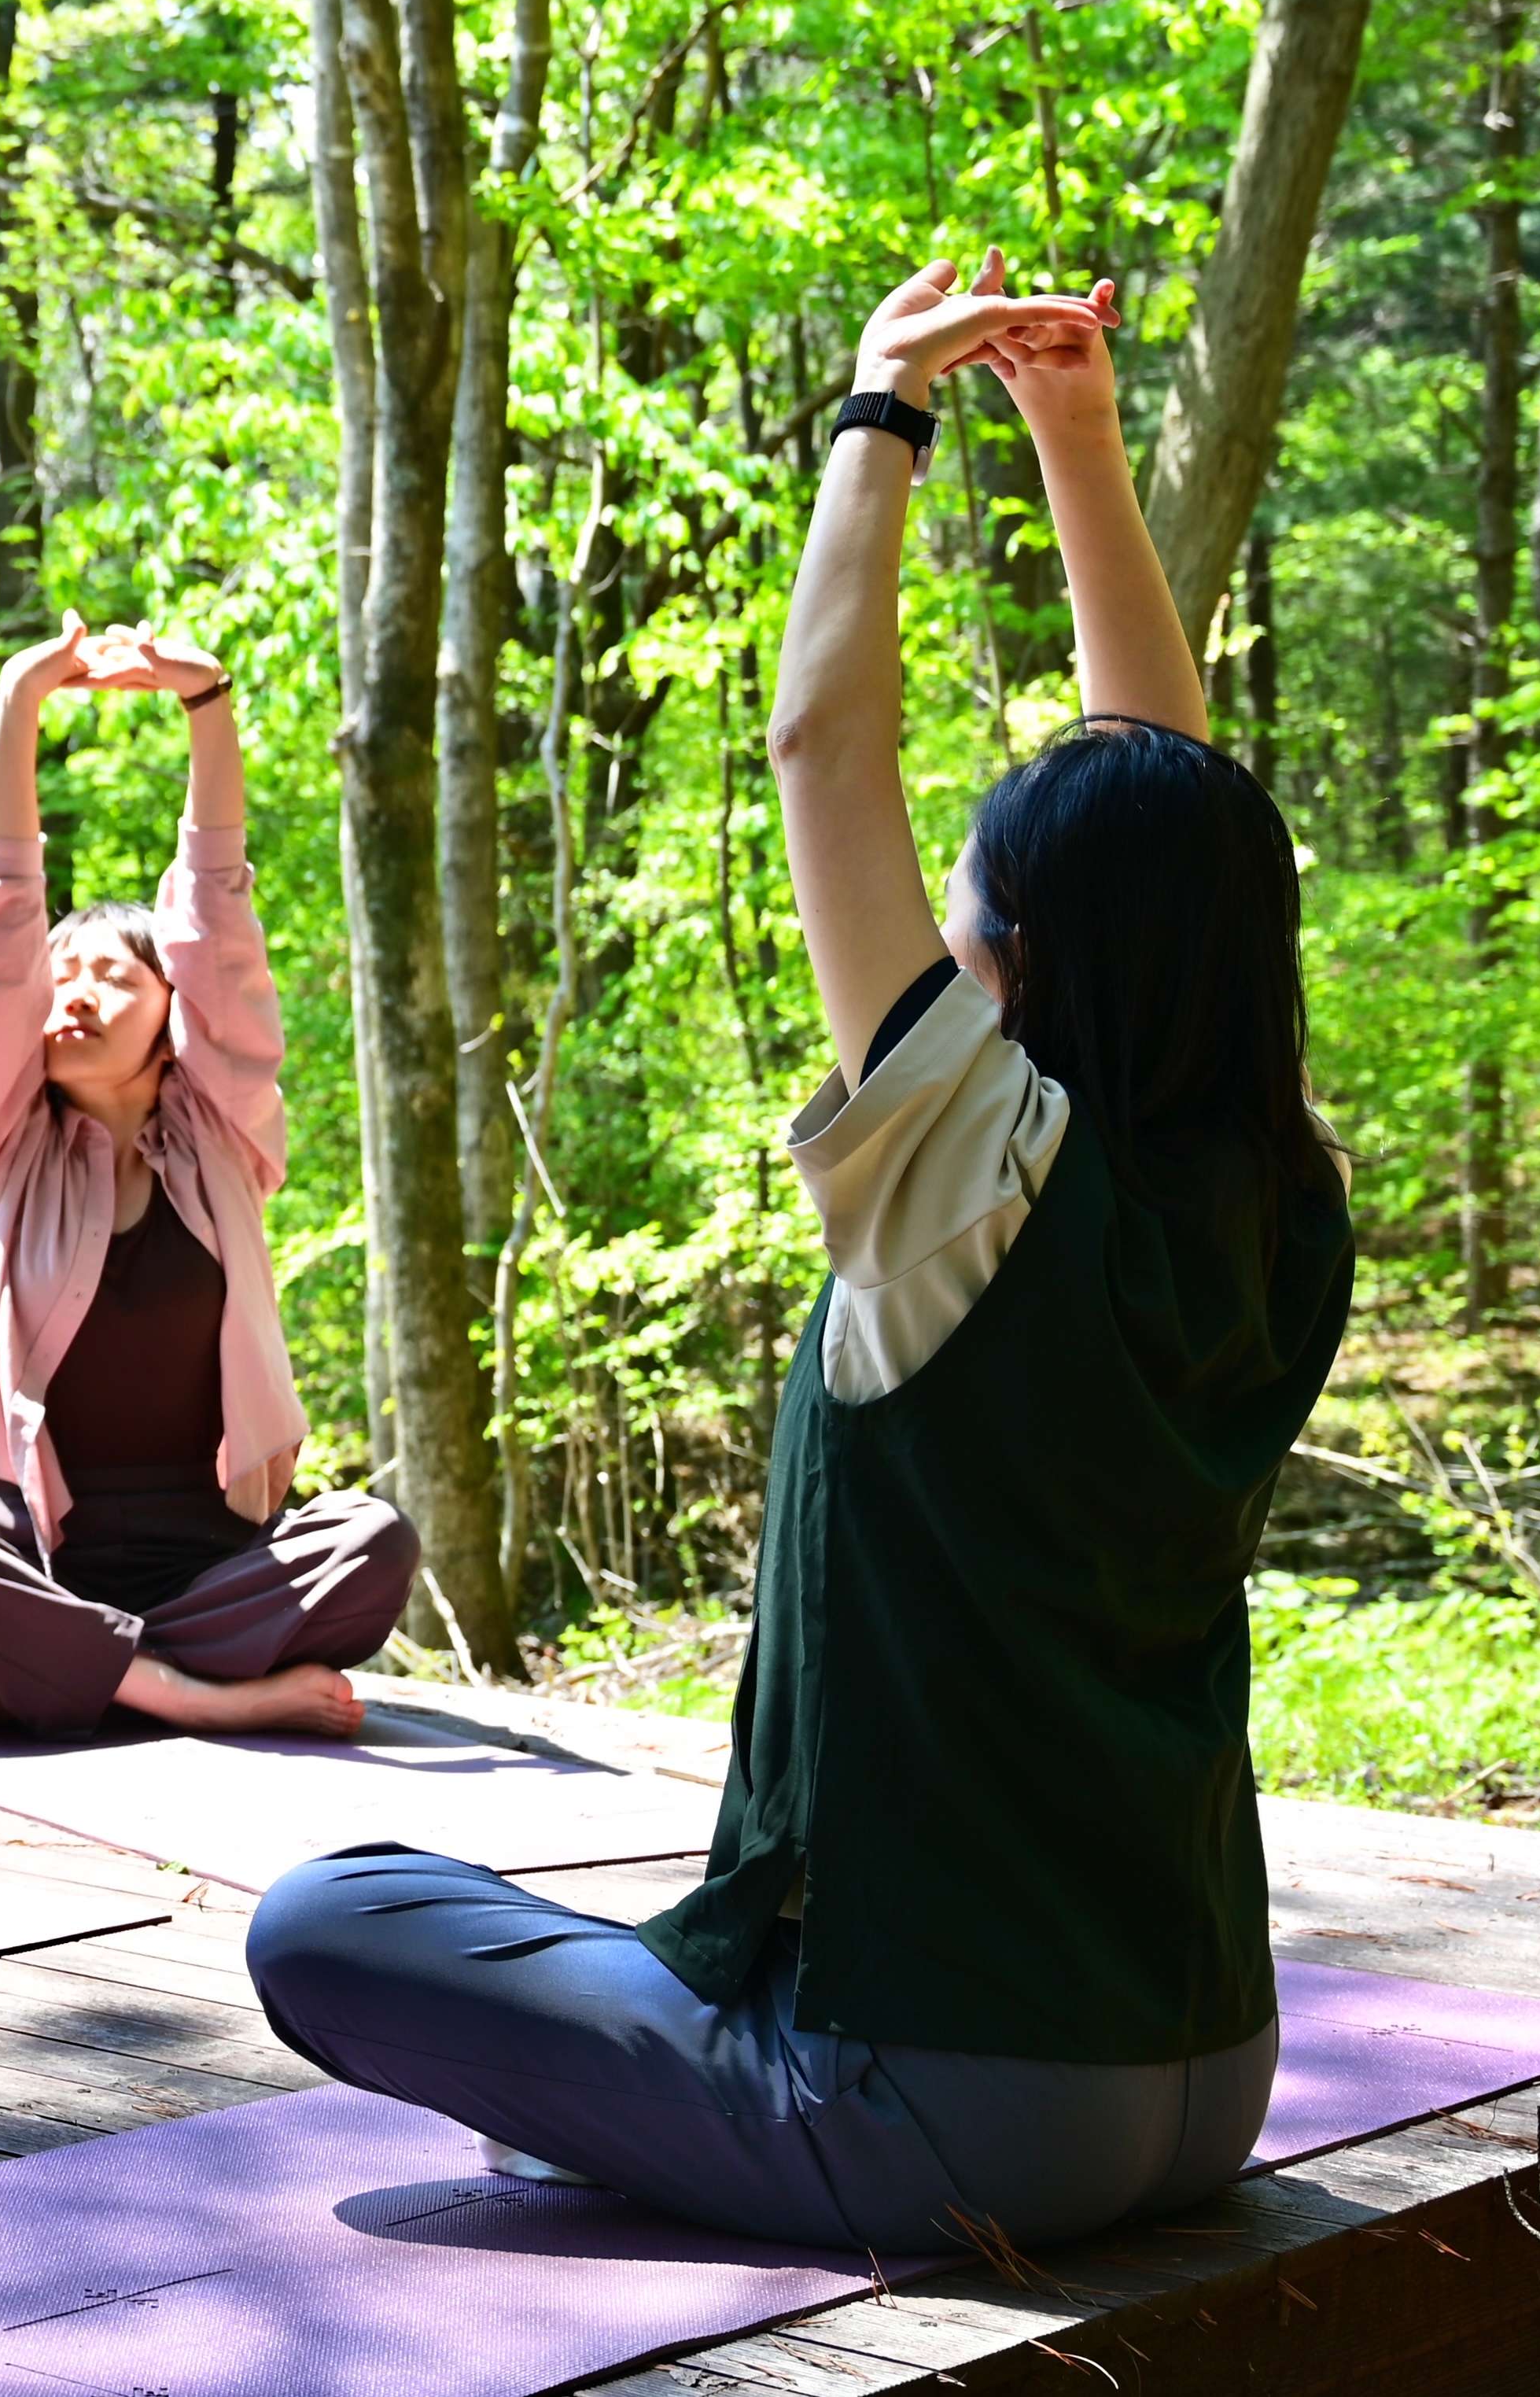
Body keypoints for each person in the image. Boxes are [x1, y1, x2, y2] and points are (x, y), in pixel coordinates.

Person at [243, 256, 1355, 2253]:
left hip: (949, 2106)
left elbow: (819, 743)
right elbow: (1169, 826)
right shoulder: (1274, 1194)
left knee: (330, 1919)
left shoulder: (971, 1171)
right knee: (569, 1954)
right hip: (1204, 2060)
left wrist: (883, 412)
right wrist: (1079, 436)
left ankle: (682, 2121)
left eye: (969, 903)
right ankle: (671, 2100)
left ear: (1018, 961)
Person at [0, 614, 421, 1742]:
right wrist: (21, 696)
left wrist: (207, 706)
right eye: (59, 975)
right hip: (38, 1557)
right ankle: (189, 1692)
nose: (72, 991)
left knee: (373, 1539)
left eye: (111, 974)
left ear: (173, 1018)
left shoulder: (221, 1139)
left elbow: (216, 918)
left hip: (218, 1562)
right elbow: (0, 926)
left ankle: (58, 1670)